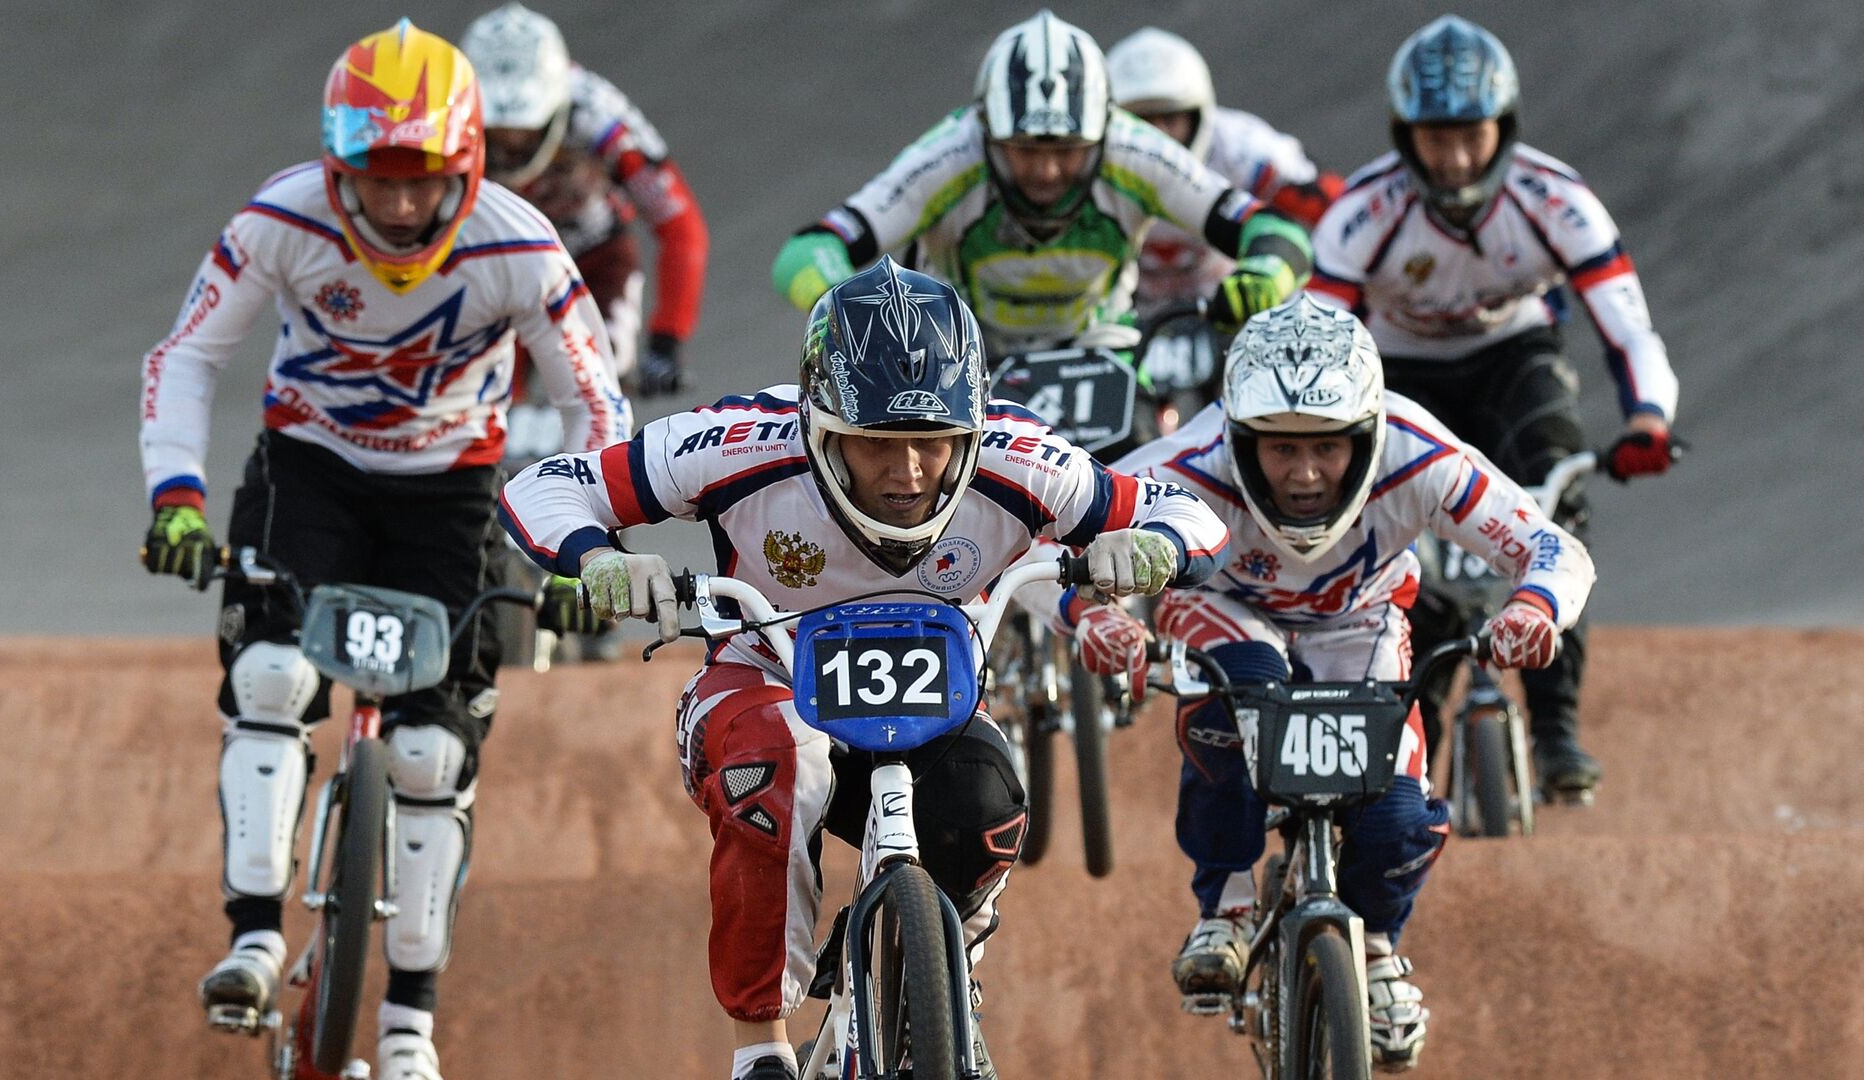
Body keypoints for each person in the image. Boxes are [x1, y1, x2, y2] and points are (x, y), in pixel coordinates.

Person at [497, 258, 1230, 1080]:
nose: (910, 473)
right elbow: (550, 487)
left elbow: (1184, 509)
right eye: (878, 445)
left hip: (936, 705)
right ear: (819, 425)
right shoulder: (738, 442)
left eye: (934, 443)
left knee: (992, 804)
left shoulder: (1024, 457)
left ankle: (949, 978)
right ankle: (760, 1052)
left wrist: (1153, 546)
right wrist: (598, 559)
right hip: (761, 684)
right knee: (781, 761)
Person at [137, 20, 627, 1080]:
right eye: (374, 182)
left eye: (425, 182)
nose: (399, 209)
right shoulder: (279, 218)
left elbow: (600, 407)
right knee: (269, 678)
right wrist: (174, 497)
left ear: (469, 167)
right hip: (308, 471)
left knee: (429, 755)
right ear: (335, 168)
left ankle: (409, 1025)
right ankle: (256, 943)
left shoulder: (523, 247)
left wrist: (592, 550)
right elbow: (187, 356)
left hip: (451, 494)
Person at [1065, 295, 1594, 1071]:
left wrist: (1535, 606)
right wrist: (1094, 616)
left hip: (1362, 620)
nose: (1306, 474)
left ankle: (1377, 948)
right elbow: (1059, 547)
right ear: (1239, 437)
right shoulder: (1188, 463)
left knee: (1397, 821)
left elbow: (1552, 547)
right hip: (1224, 608)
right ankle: (1229, 902)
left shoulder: (1418, 454)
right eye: (1279, 449)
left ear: (1369, 433)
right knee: (1239, 690)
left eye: (1328, 448)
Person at [1304, 14, 1677, 799]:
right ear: (1406, 137)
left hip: (1516, 359)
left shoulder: (1556, 197)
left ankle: (1555, 732)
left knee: (1555, 504)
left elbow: (1625, 324)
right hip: (1398, 369)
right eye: (1436, 138)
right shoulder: (1362, 214)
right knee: (1400, 540)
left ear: (1502, 128)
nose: (1456, 157)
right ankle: (1412, 733)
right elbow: (1312, 337)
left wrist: (1649, 419)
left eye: (1471, 134)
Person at [770, 9, 1312, 362]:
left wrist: (1265, 270)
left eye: (1068, 152)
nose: (1047, 173)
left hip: (1104, 350)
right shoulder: (950, 154)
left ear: (1102, 135)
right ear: (986, 134)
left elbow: (1271, 230)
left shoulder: (1134, 148)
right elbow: (808, 252)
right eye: (1025, 151)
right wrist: (851, 311)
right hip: (959, 360)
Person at [461, 2, 709, 397]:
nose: (512, 143)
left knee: (601, 382)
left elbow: (679, 226)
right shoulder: (451, 118)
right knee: (483, 390)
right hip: (502, 268)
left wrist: (666, 341)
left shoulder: (602, 117)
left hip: (596, 260)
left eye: (527, 127)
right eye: (498, 129)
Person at [1105, 26, 1346, 318]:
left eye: (1169, 118)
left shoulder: (1245, 151)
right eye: (1140, 121)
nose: (1157, 139)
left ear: (1197, 115)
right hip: (1123, 316)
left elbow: (1339, 215)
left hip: (1232, 310)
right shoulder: (1080, 161)